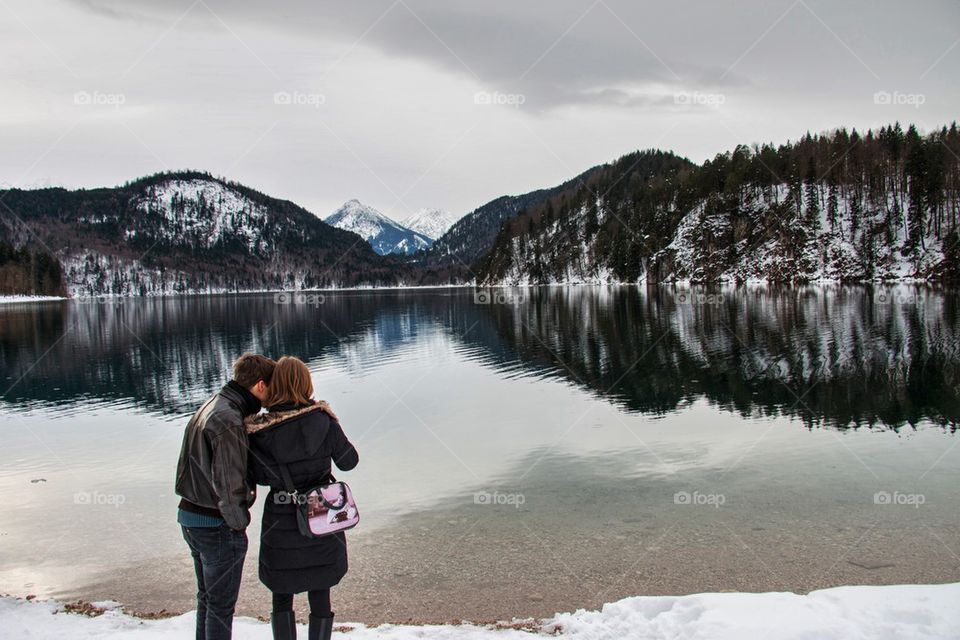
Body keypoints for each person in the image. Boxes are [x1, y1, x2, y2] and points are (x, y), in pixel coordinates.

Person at [245, 356, 358, 640]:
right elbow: (349, 462)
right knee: (320, 590)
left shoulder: (261, 432)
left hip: (280, 519)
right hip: (320, 513)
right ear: (307, 384)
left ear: (275, 386)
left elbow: (256, 476)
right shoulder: (322, 420)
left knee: (281, 592)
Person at [175, 353, 276, 640]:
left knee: (207, 599)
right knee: (220, 607)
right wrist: (238, 524)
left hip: (191, 516)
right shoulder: (230, 421)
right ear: (259, 385)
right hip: (215, 523)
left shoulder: (213, 405)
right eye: (270, 388)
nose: (271, 396)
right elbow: (229, 483)